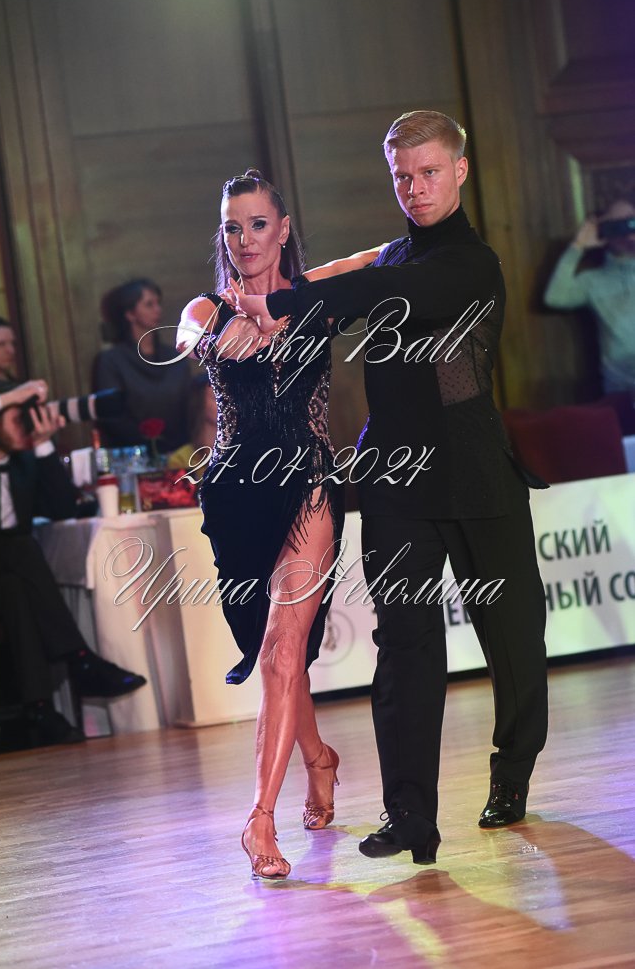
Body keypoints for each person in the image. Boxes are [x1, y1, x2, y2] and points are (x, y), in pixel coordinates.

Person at [234, 112, 549, 865]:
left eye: (429, 172)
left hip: (476, 476)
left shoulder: (471, 264)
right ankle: (409, 814)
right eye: (403, 176)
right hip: (395, 479)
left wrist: (283, 302)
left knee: (512, 640)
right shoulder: (393, 254)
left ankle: (512, 772)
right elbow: (344, 279)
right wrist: (255, 290)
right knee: (403, 647)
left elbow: (381, 285)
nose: (415, 188)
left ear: (460, 170)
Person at [176, 170, 385, 880]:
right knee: (276, 656)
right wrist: (227, 329)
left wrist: (432, 228)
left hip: (310, 485)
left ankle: (259, 819)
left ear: (284, 228)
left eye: (258, 224)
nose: (245, 239)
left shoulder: (312, 298)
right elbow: (193, 334)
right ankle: (319, 757)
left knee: (281, 651)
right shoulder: (206, 309)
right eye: (232, 227)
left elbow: (378, 258)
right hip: (236, 496)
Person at [0, 380, 147, 747]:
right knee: (21, 546)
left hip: (5, 581)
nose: (27, 425)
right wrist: (16, 395)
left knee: (15, 589)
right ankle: (80, 659)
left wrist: (44, 445)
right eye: (19, 418)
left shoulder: (23, 462)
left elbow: (63, 508)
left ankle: (40, 709)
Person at [544, 199, 635, 395]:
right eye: (615, 225)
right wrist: (578, 246)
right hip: (621, 390)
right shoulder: (592, 281)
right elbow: (555, 297)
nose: (625, 231)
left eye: (630, 221)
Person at [92, 278, 192, 452]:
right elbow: (112, 417)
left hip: (178, 450)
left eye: (158, 303)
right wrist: (150, 445)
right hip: (132, 453)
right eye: (149, 304)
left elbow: (188, 407)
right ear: (130, 314)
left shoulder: (175, 357)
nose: (158, 309)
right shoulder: (111, 361)